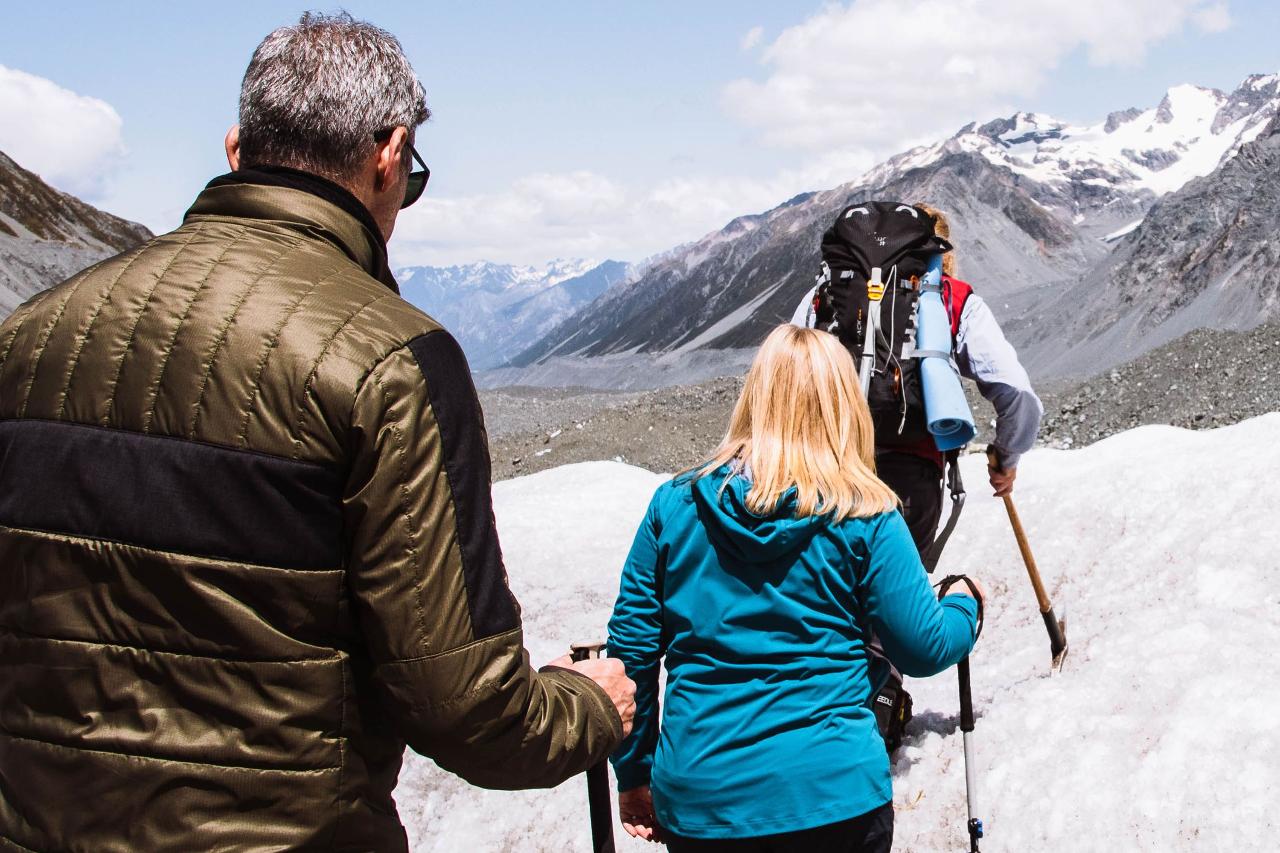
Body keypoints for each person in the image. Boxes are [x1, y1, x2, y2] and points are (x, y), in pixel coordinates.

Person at [0, 13, 633, 851]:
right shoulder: (394, 359)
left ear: (236, 149)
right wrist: (590, 702)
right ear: (389, 155)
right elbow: (468, 708)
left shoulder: (30, 335)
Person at [607, 325, 981, 852]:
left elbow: (632, 653)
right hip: (834, 795)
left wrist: (634, 772)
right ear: (843, 404)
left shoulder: (674, 506)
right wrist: (967, 606)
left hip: (702, 800)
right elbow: (923, 646)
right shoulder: (865, 512)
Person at [791, 203, 1043, 553]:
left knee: (818, 597)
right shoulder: (955, 300)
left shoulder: (831, 288)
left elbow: (783, 374)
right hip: (908, 486)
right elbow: (1017, 391)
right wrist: (1006, 458)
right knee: (899, 602)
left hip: (820, 473)